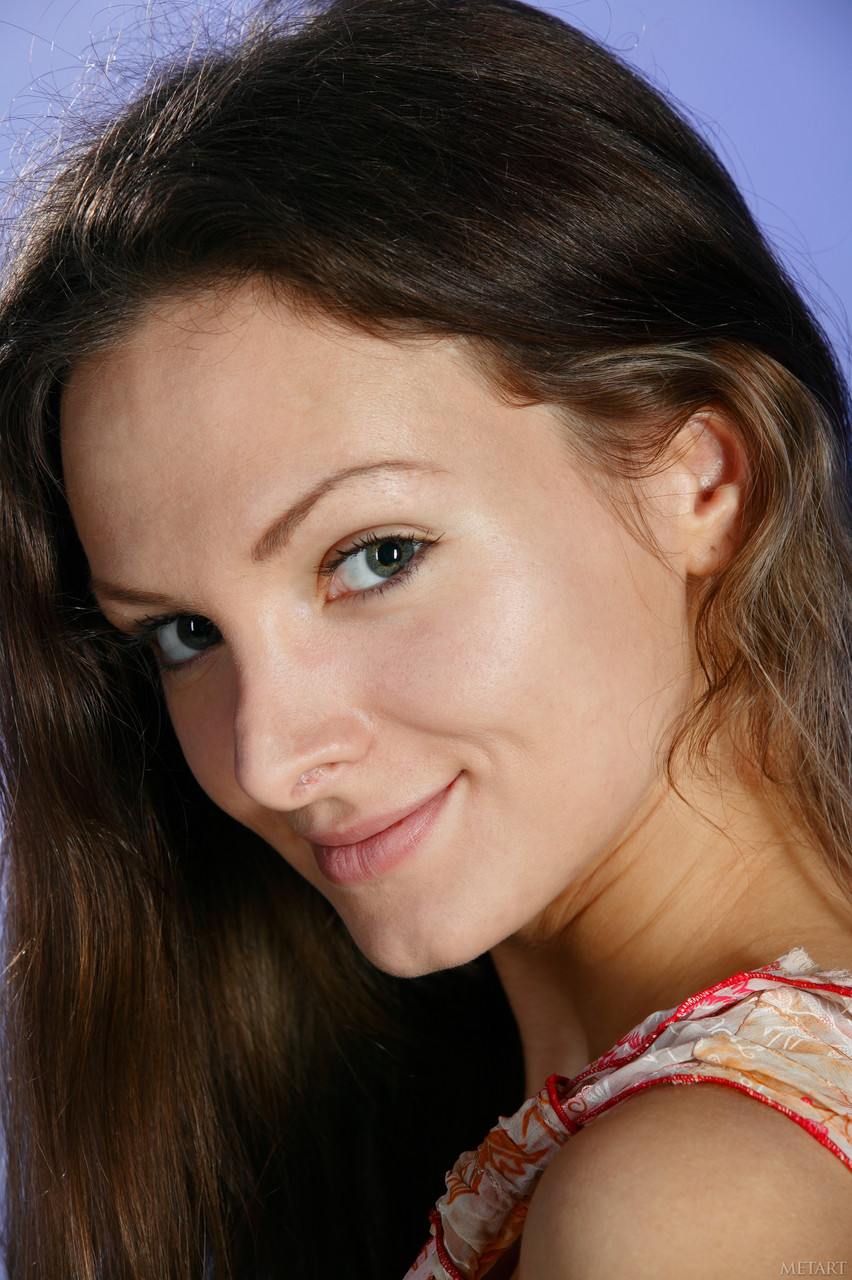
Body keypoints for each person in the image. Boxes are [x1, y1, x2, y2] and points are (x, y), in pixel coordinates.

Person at [1, 0, 851, 1275]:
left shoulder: (690, 1202)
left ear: (704, 479)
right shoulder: (590, 1137)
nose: (270, 757)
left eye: (377, 556)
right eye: (183, 631)